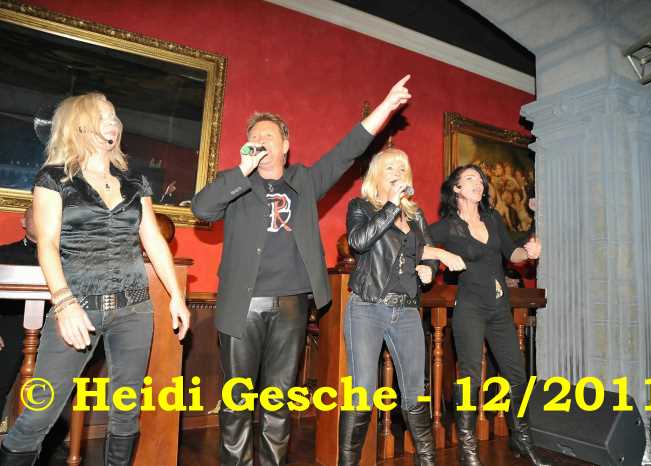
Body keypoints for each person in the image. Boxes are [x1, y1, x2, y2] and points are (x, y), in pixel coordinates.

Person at [191, 76, 412, 466]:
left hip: (292, 305)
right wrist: (241, 170)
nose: (261, 140)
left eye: (269, 135)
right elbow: (202, 208)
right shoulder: (236, 182)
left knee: (277, 402)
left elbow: (349, 149)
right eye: (254, 137)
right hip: (243, 304)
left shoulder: (305, 181)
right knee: (236, 401)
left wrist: (387, 107)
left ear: (285, 145)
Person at [0, 92, 190, 466]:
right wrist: (64, 302)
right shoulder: (54, 178)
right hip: (77, 307)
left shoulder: (134, 179)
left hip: (134, 310)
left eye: (115, 116)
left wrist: (176, 296)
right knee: (40, 410)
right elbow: (47, 243)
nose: (113, 123)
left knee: (126, 410)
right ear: (80, 125)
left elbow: (153, 239)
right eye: (103, 116)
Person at [340, 148, 465, 466]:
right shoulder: (361, 207)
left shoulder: (416, 215)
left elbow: (424, 250)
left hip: (406, 309)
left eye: (402, 167)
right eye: (391, 167)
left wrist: (430, 269)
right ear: (377, 174)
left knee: (415, 392)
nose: (398, 171)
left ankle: (427, 461)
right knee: (362, 392)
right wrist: (391, 205)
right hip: (367, 307)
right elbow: (358, 242)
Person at [429, 165, 547, 466]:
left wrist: (528, 253)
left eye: (481, 180)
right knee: (469, 377)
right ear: (456, 188)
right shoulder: (448, 226)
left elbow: (512, 253)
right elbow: (413, 243)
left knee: (517, 375)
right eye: (470, 179)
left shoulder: (493, 219)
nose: (478, 183)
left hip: (499, 308)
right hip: (470, 308)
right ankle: (468, 450)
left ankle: (522, 439)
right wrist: (441, 254)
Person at [0, 207, 39, 421]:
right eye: (36, 215)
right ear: (24, 222)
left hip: (52, 330)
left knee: (50, 393)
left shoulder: (66, 258)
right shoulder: (4, 253)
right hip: (9, 327)